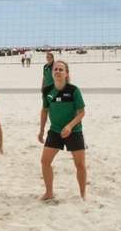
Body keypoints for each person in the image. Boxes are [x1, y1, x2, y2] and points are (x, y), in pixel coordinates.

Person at [38, 60, 86, 201]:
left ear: (66, 74)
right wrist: (41, 130)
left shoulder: (73, 90)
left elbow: (82, 112)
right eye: (56, 69)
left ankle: (83, 195)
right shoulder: (47, 90)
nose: (58, 71)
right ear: (52, 73)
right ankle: (49, 193)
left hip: (74, 131)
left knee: (80, 165)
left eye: (61, 69)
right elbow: (44, 110)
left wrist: (70, 126)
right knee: (45, 162)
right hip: (55, 131)